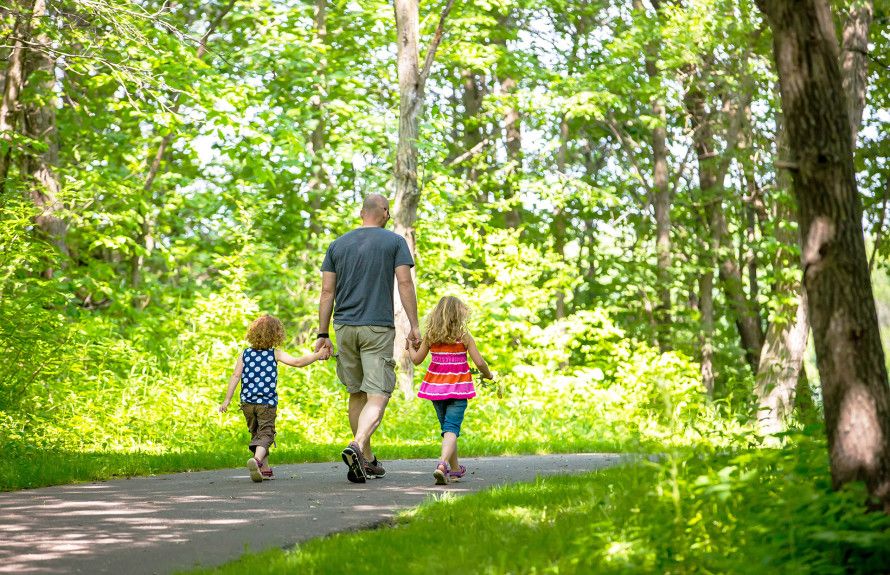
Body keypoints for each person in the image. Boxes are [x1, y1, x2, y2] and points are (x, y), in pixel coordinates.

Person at [316, 194, 421, 483]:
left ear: (362, 213)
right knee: (378, 394)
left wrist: (323, 334)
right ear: (385, 213)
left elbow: (327, 293)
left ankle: (367, 460)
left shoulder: (337, 245)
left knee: (356, 393)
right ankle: (357, 443)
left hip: (344, 327)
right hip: (376, 327)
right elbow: (403, 282)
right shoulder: (394, 242)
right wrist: (414, 325)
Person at [219, 314, 329, 482]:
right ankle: (256, 461)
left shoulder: (245, 354)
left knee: (257, 434)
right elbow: (298, 362)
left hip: (247, 403)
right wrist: (317, 355)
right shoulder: (274, 354)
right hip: (266, 403)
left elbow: (235, 376)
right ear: (276, 335)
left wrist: (227, 400)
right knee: (266, 434)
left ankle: (264, 469)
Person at [408, 296, 493, 485]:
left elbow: (416, 360)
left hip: (436, 391)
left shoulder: (431, 336)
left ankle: (455, 470)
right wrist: (488, 375)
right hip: (458, 390)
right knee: (452, 429)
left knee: (448, 430)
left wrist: (408, 347)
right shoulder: (464, 337)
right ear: (459, 315)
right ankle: (442, 465)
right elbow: (479, 362)